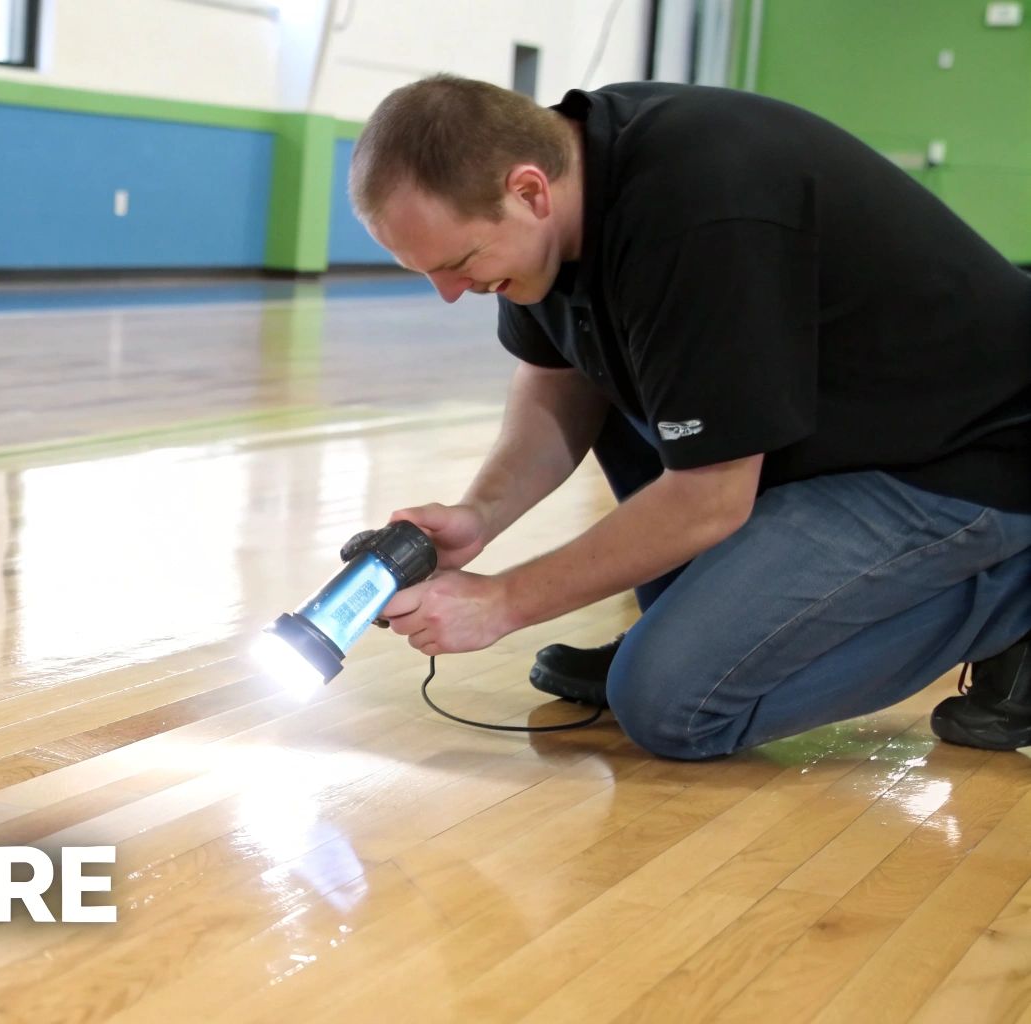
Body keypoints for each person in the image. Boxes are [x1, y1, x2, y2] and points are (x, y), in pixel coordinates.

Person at [349, 75, 1031, 760]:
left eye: (460, 263)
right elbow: (559, 373)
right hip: (835, 438)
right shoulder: (556, 188)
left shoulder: (699, 207)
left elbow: (710, 499)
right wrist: (480, 515)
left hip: (966, 459)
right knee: (619, 384)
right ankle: (689, 632)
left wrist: (500, 602)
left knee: (672, 706)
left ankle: (1017, 600)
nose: (449, 294)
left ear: (530, 191)